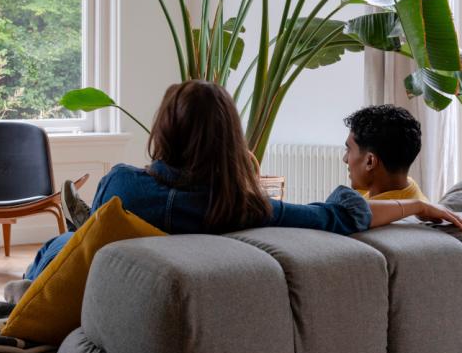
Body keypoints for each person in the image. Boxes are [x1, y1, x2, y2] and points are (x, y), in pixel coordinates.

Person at [28, 80, 461, 281]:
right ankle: (84, 225)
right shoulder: (248, 208)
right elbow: (339, 214)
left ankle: (84, 223)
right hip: (201, 222)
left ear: (164, 131)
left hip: (94, 274)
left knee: (63, 246)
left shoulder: (122, 184)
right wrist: (417, 205)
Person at [343, 105, 427, 201]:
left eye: (349, 150)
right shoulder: (407, 186)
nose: (345, 159)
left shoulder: (364, 214)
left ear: (370, 161)